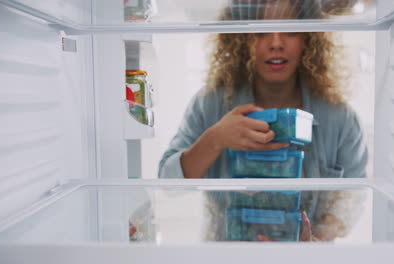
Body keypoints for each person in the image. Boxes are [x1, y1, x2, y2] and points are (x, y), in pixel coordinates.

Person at [158, 0, 368, 242]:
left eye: (289, 31)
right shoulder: (211, 104)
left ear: (309, 38)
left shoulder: (340, 118)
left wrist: (314, 241)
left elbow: (353, 198)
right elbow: (167, 182)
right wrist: (215, 139)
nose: (276, 43)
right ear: (241, 39)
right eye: (260, 31)